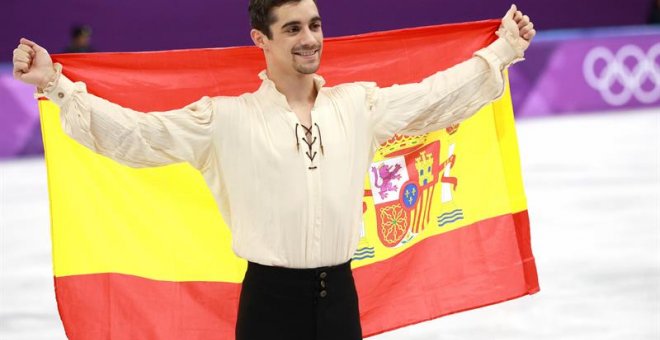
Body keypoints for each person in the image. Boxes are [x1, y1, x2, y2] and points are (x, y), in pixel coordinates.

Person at [12, 1, 535, 339]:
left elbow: (434, 97)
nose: (308, 38)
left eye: (314, 25)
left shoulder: (360, 106)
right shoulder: (225, 119)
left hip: (339, 303)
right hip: (268, 308)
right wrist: (57, 85)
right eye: (292, 29)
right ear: (261, 40)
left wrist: (503, 51)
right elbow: (140, 135)